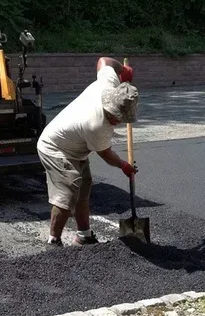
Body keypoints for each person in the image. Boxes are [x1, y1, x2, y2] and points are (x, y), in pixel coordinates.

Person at [36, 57, 139, 247]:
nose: (118, 122)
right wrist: (124, 165)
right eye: (117, 118)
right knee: (68, 193)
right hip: (55, 148)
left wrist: (122, 70)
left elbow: (104, 61)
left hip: (74, 146)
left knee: (84, 186)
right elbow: (106, 154)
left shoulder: (109, 84)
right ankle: (53, 240)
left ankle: (84, 235)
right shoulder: (98, 125)